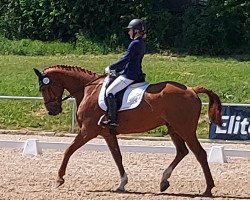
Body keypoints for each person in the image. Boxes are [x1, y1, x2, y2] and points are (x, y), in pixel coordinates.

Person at [99, 18, 146, 127]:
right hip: (136, 73)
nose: (128, 32)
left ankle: (112, 119)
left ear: (136, 31)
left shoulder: (134, 43)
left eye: (130, 30)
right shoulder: (142, 43)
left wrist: (111, 67)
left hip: (130, 75)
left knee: (109, 92)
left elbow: (126, 59)